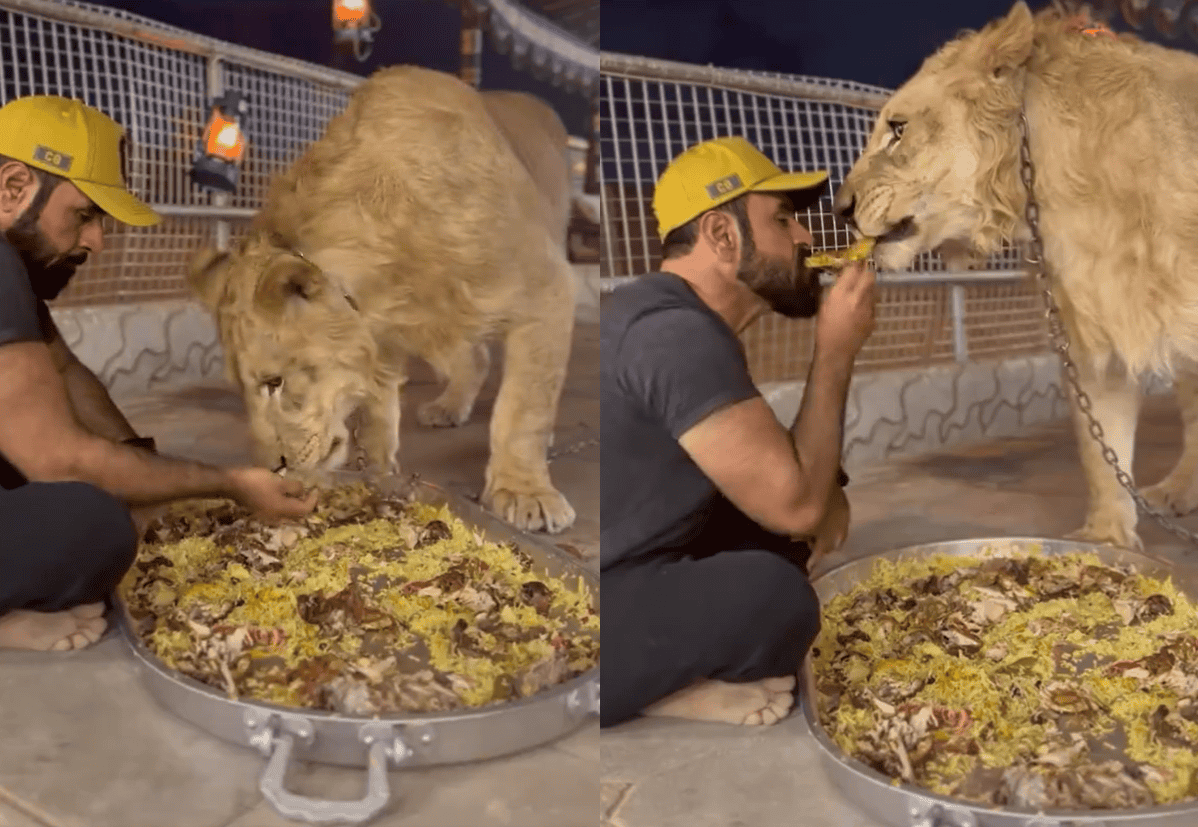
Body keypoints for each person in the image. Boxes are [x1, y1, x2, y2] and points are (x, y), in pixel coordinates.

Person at [0, 96, 318, 653]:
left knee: (86, 488)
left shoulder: (16, 275)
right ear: (13, 188)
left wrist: (139, 466)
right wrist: (231, 483)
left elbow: (64, 369)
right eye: (84, 215)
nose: (97, 240)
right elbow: (62, 458)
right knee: (91, 526)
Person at [601, 136, 877, 729]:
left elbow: (811, 505)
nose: (804, 238)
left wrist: (816, 501)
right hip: (599, 595)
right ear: (722, 236)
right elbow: (800, 506)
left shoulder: (670, 316)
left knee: (795, 530)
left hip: (635, 552)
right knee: (774, 600)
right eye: (783, 220)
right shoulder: (674, 335)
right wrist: (834, 353)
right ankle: (649, 690)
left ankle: (655, 669)